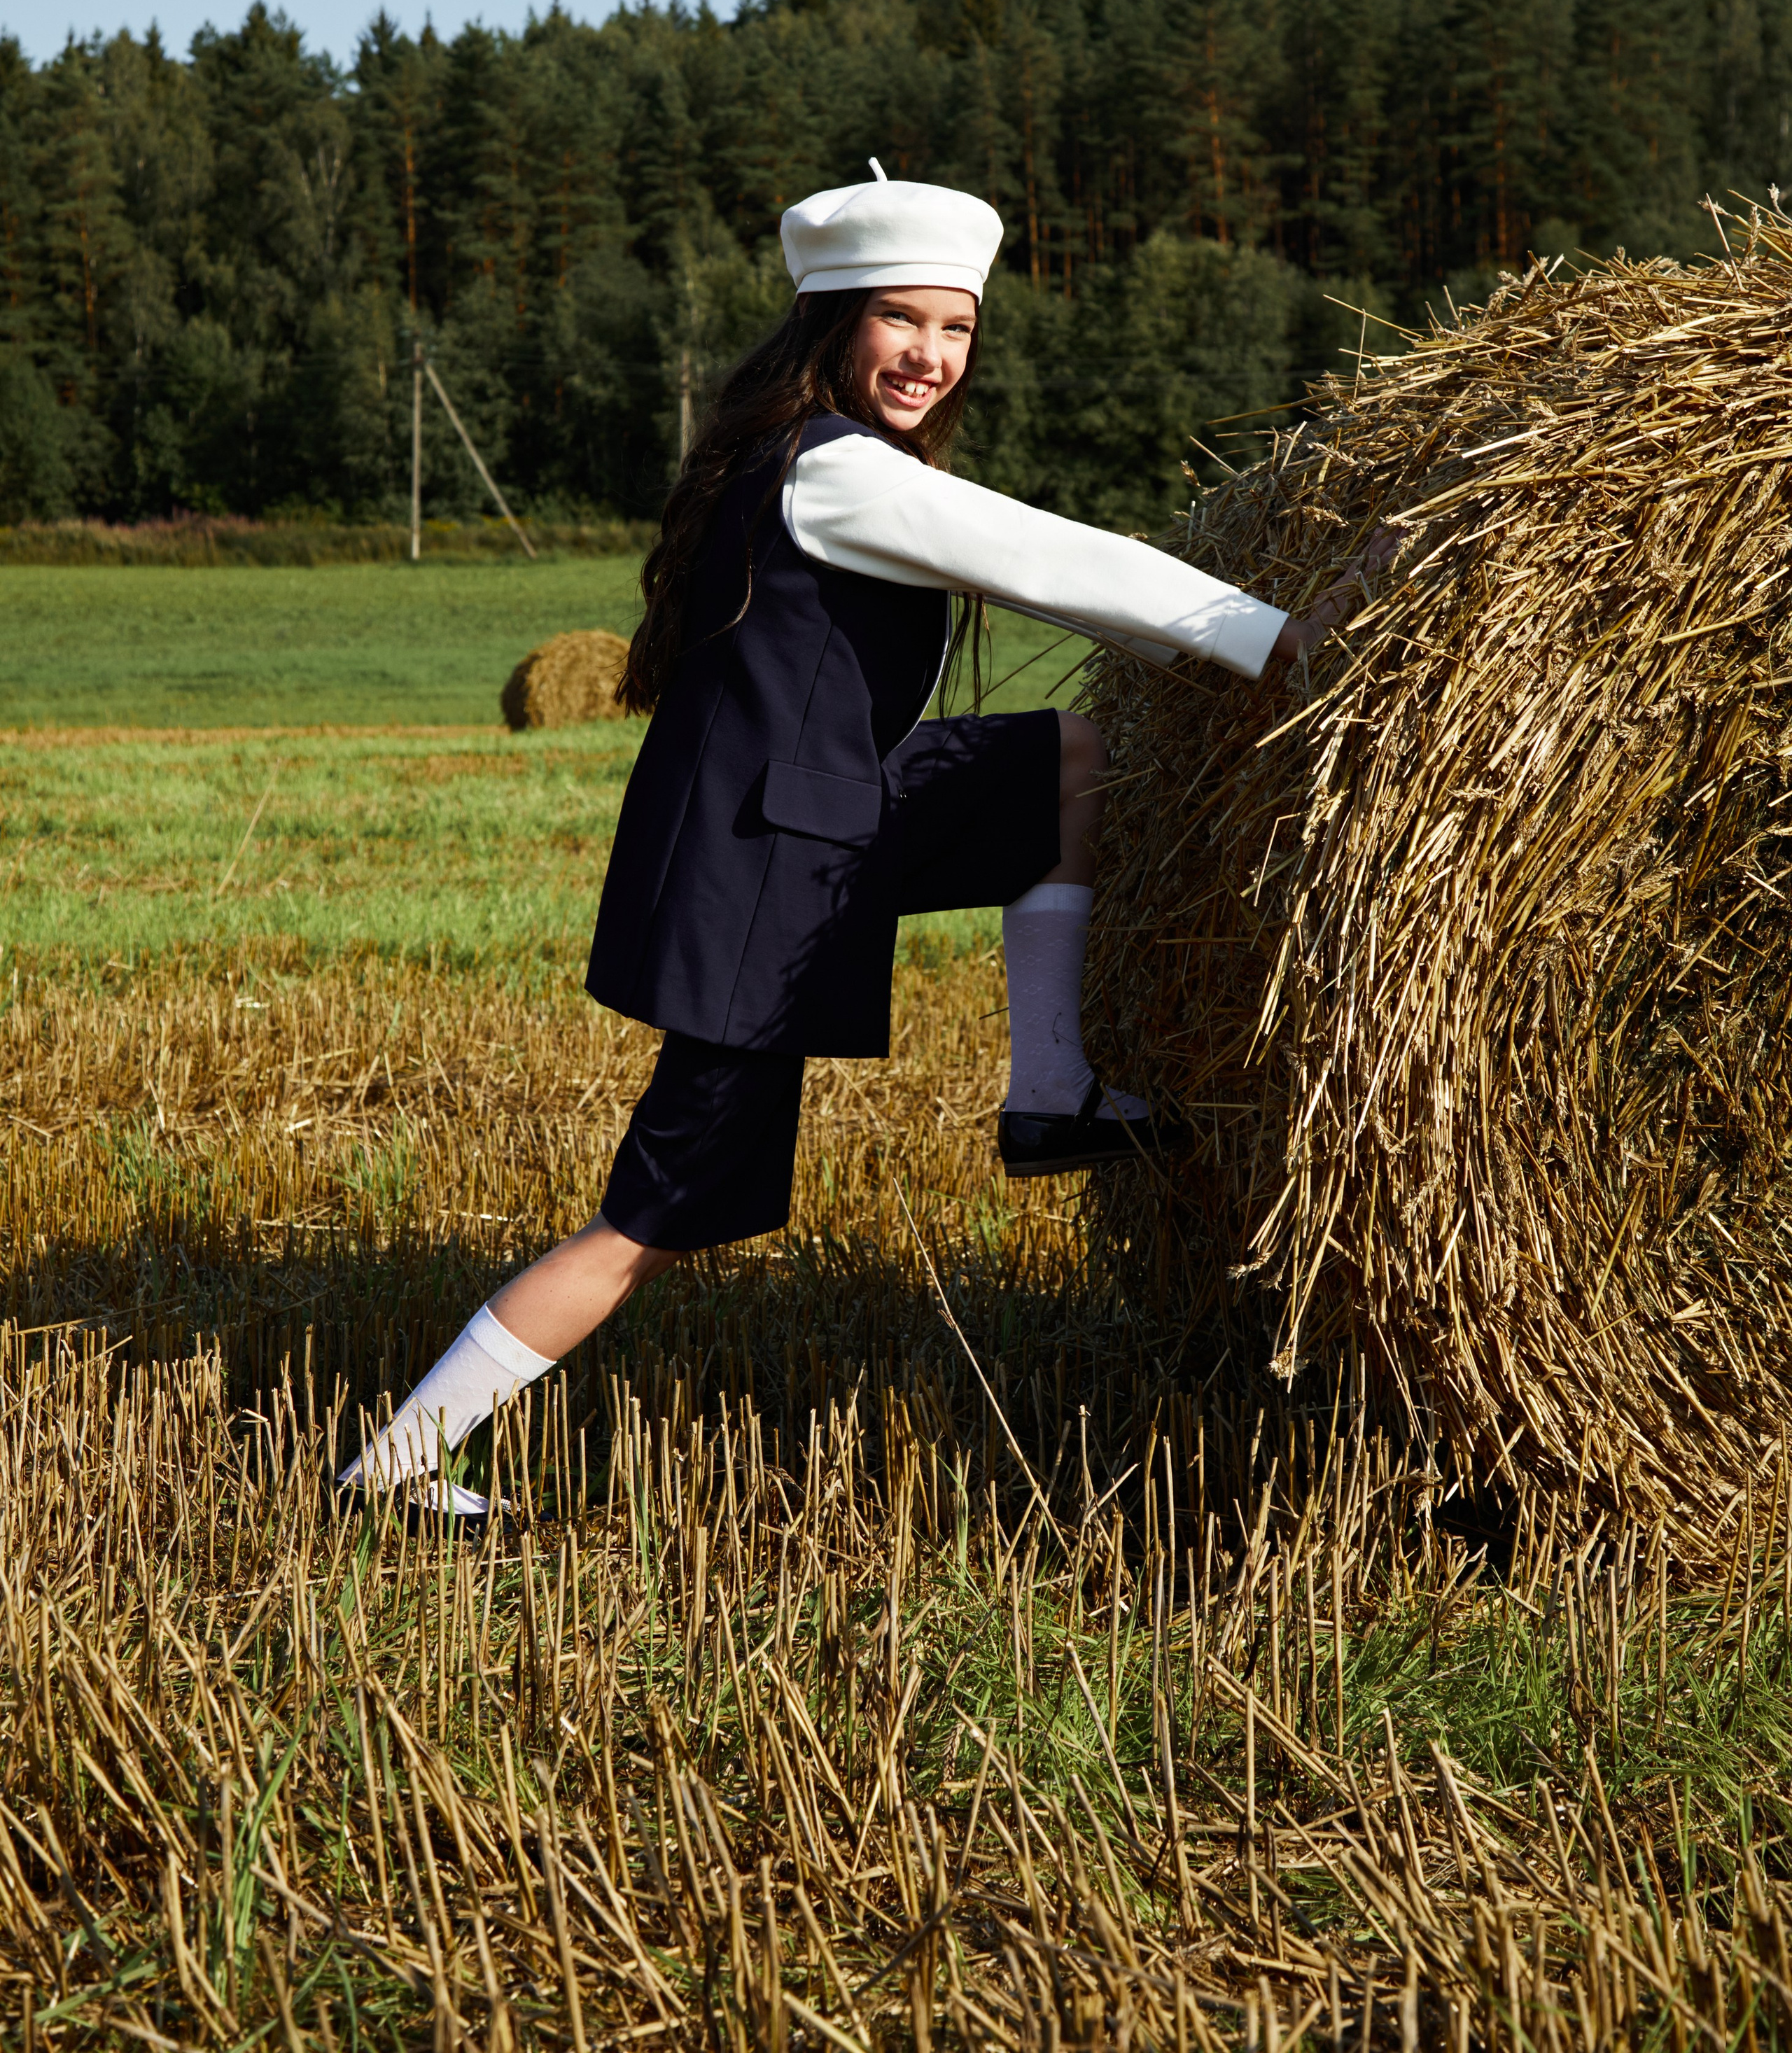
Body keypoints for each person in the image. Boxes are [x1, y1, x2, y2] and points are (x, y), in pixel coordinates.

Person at [342, 162, 1378, 1512]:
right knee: (661, 1212)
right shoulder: (835, 475)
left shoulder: (805, 456)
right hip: (762, 875)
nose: (933, 357)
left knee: (1063, 755)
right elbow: (1059, 560)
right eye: (905, 322)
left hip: (817, 817)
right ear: (834, 321)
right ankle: (398, 1463)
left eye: (957, 330)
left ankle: (1052, 1089)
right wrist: (1282, 638)